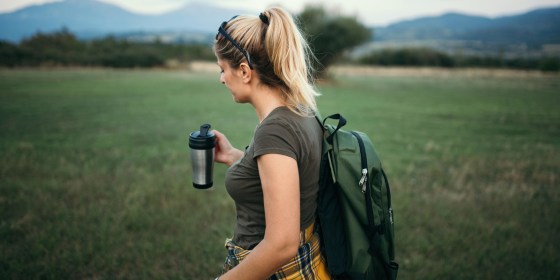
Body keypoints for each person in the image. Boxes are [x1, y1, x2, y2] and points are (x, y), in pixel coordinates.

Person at [211, 6, 332, 280]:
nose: (221, 79)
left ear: (244, 71)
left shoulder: (275, 131)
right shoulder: (301, 111)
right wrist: (233, 156)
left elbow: (281, 244)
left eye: (222, 69)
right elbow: (292, 179)